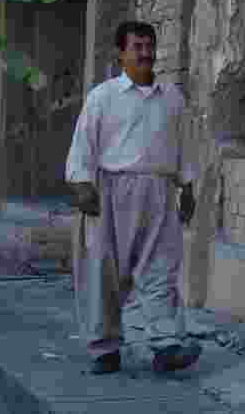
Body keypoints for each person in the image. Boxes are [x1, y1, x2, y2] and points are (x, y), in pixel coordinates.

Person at [65, 21, 199, 375]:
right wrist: (82, 184)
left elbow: (184, 144)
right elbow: (83, 145)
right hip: (111, 192)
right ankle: (104, 348)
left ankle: (165, 345)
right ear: (120, 54)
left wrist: (187, 186)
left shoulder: (172, 98)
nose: (145, 53)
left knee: (161, 268)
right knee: (104, 272)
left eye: (149, 46)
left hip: (159, 191)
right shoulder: (103, 97)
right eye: (137, 47)